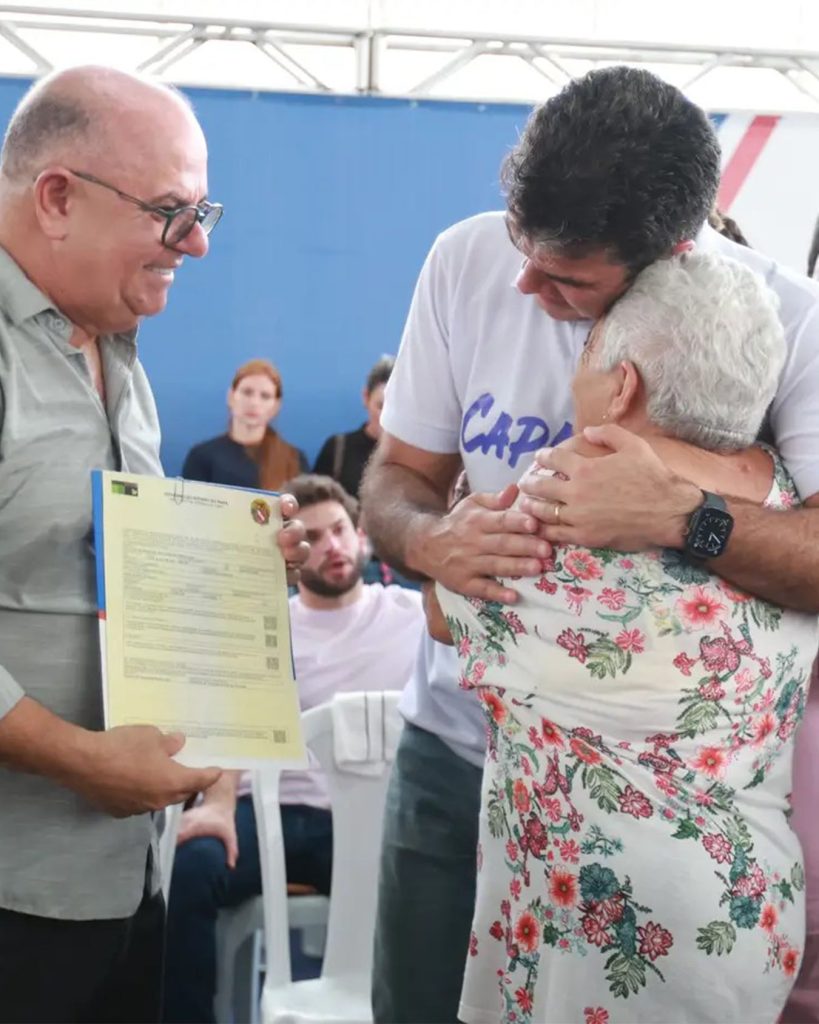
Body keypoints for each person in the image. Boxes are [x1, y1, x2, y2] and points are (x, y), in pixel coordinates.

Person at [361, 66, 819, 1024]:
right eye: (519, 241)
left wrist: (677, 517)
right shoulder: (467, 259)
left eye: (566, 277)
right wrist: (431, 538)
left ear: (669, 253)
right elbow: (392, 481)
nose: (522, 280)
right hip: (457, 764)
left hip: (674, 839)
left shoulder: (789, 321)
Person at [433, 251, 816, 1023]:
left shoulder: (557, 502)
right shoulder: (784, 505)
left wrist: (457, 515)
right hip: (743, 905)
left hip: (599, 922)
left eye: (585, 351)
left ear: (621, 385)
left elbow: (445, 608)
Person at [0, 67, 307, 1024]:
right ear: (57, 198)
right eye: (172, 211)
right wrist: (77, 759)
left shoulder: (115, 348)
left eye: (202, 209)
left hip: (130, 882)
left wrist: (228, 573)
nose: (201, 241)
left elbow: (88, 561)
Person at [162, 473, 424, 1024]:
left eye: (339, 531)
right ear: (287, 552)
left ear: (361, 534)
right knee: (187, 872)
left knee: (440, 893)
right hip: (269, 813)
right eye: (311, 537)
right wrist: (216, 805)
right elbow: (230, 726)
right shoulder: (263, 626)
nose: (331, 546)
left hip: (373, 821)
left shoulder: (415, 617)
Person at [182, 358, 307, 491]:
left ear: (276, 406)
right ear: (231, 396)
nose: (254, 403)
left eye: (265, 396)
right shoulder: (202, 456)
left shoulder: (293, 459)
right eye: (247, 392)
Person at [314, 354, 395, 499]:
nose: (386, 418)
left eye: (396, 409)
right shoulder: (337, 449)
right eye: (380, 406)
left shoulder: (418, 456)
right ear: (365, 397)